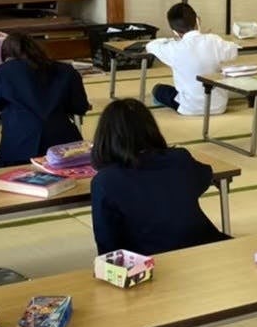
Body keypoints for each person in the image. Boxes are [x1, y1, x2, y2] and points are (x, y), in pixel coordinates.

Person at [89, 98, 226, 255]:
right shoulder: (179, 158)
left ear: (104, 138)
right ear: (151, 129)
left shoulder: (105, 180)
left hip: (147, 260)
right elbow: (204, 176)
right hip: (205, 246)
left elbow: (106, 243)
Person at [0, 31, 90, 168]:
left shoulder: (5, 71)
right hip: (63, 146)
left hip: (19, 147)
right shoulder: (66, 70)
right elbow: (80, 107)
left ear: (7, 54)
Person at [144, 2, 238, 117]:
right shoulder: (214, 40)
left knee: (158, 89)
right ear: (197, 20)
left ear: (174, 32)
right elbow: (234, 50)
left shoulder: (173, 48)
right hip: (219, 106)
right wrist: (208, 38)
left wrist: (172, 40)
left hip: (188, 108)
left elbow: (150, 46)